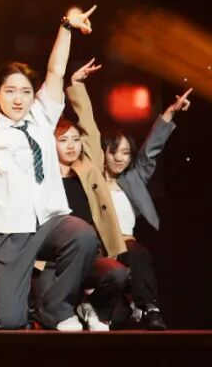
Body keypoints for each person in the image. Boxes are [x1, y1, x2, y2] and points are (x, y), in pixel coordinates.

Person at [0, 5, 100, 330]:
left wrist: (66, 27)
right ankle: (6, 310)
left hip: (47, 222)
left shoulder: (41, 116)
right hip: (7, 233)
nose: (18, 99)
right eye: (10, 91)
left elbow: (55, 72)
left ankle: (54, 307)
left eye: (25, 92)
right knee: (7, 320)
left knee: (82, 236)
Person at [75, 77, 193, 330]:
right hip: (99, 248)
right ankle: (127, 306)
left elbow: (150, 151)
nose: (120, 158)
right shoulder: (93, 178)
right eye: (113, 152)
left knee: (137, 255)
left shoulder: (133, 179)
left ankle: (148, 307)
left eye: (126, 152)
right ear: (103, 152)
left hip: (127, 246)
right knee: (115, 314)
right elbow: (87, 132)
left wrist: (169, 114)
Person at [50, 59, 130, 331]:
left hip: (90, 253)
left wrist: (76, 85)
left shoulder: (88, 166)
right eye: (63, 140)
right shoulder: (44, 174)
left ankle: (93, 309)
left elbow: (89, 128)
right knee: (49, 315)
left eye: (75, 140)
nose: (71, 145)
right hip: (53, 259)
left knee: (118, 275)